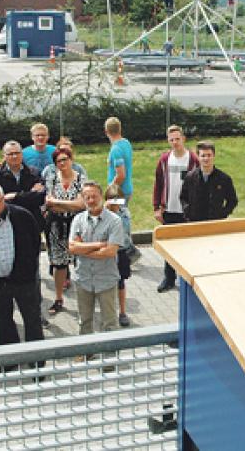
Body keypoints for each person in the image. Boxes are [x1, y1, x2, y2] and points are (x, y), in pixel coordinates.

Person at [0, 184, 45, 352]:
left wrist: (28, 269)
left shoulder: (23, 216)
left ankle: (37, 359)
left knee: (32, 319)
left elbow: (35, 244)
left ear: (3, 199)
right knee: (3, 320)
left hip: (24, 281)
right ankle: (9, 357)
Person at [69, 181, 125, 336]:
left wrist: (83, 249)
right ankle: (86, 354)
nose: (91, 200)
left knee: (110, 323)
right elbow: (72, 247)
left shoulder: (114, 221)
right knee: (84, 321)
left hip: (106, 280)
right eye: (87, 197)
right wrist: (99, 244)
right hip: (83, 279)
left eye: (94, 196)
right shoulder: (78, 220)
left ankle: (111, 357)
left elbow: (110, 252)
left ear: (101, 196)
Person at [152, 125, 198, 293]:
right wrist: (157, 207)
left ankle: (189, 279)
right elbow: (158, 184)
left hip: (188, 211)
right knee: (169, 246)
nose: (175, 142)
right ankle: (169, 278)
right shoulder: (165, 160)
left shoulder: (193, 160)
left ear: (183, 139)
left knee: (188, 245)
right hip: (169, 209)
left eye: (177, 139)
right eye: (171, 139)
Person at [43, 147, 85, 315]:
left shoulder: (81, 178)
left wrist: (60, 203)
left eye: (65, 159)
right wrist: (71, 203)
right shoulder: (52, 179)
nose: (62, 163)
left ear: (71, 160)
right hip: (56, 228)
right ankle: (58, 298)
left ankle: (85, 299)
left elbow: (82, 204)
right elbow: (49, 204)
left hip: (77, 227)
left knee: (81, 263)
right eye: (58, 161)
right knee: (59, 265)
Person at [105, 117, 140, 262]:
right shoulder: (126, 143)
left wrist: (110, 188)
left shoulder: (116, 149)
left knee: (119, 220)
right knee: (122, 217)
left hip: (119, 191)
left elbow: (121, 174)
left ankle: (129, 251)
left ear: (106, 131)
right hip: (127, 189)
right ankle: (128, 249)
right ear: (120, 129)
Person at [180, 141, 238, 223]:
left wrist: (222, 214)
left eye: (209, 155)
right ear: (198, 157)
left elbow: (233, 200)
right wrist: (188, 212)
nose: (206, 158)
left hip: (216, 223)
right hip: (194, 222)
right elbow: (183, 198)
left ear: (214, 156)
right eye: (203, 156)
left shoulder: (224, 179)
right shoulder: (190, 177)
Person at [0, 140, 45, 226]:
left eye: (17, 153)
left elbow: (39, 198)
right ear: (4, 156)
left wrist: (15, 196)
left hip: (32, 222)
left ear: (22, 154)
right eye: (10, 154)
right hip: (7, 222)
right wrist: (28, 195)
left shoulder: (34, 173)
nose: (15, 156)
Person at [105, 184, 132, 327]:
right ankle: (108, 313)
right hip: (107, 253)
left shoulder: (125, 213)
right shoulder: (102, 214)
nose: (116, 204)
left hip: (121, 252)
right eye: (112, 200)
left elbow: (125, 232)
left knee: (121, 282)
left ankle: (122, 312)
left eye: (118, 200)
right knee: (107, 284)